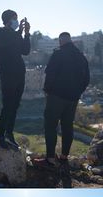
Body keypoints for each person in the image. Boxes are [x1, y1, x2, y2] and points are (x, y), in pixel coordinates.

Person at [38, 33, 90, 166]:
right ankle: (64, 156)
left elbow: (50, 74)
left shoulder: (58, 54)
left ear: (61, 41)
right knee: (68, 126)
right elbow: (86, 80)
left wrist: (47, 91)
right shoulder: (81, 57)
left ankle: (50, 158)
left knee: (50, 125)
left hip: (56, 96)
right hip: (73, 99)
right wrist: (77, 92)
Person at [0, 10, 31, 150]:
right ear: (8, 20)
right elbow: (5, 44)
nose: (17, 21)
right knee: (7, 106)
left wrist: (26, 33)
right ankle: (0, 136)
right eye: (15, 19)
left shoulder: (16, 35)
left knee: (14, 106)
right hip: (7, 74)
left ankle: (9, 133)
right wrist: (19, 32)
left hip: (19, 74)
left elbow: (25, 50)